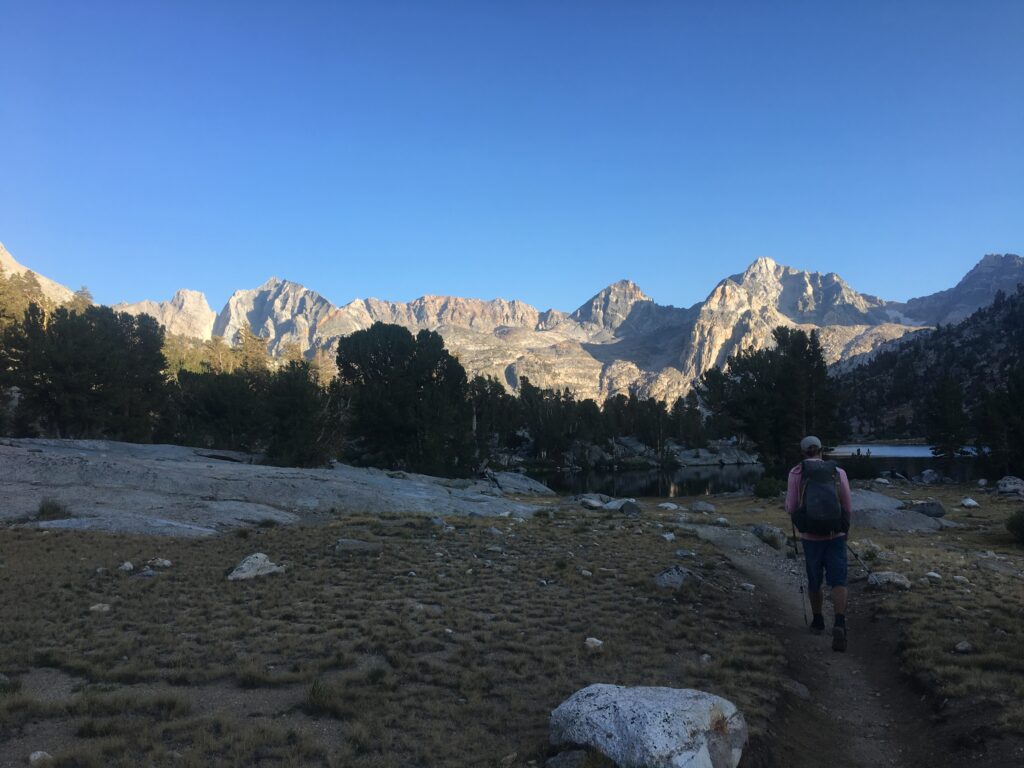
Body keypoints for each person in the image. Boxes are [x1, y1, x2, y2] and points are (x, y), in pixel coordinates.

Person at [785, 435, 853, 652]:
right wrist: (844, 529)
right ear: (822, 450)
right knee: (838, 580)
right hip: (836, 535)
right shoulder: (837, 472)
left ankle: (817, 621)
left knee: (815, 579)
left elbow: (790, 506)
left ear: (804, 452)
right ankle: (840, 622)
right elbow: (847, 505)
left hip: (810, 538)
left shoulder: (797, 473)